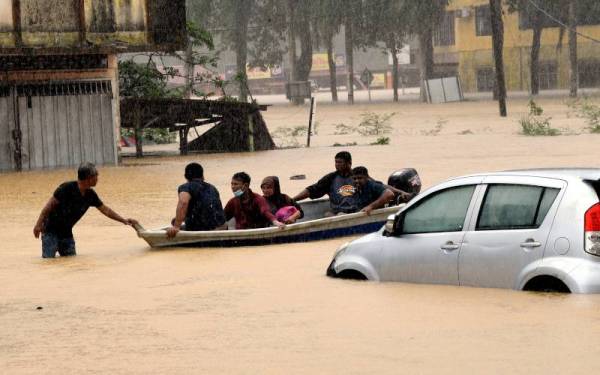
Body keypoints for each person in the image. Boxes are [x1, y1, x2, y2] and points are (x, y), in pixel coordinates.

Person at [33, 162, 138, 258]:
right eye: (96, 176)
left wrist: (124, 220)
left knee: (71, 262)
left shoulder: (90, 194)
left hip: (66, 233)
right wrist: (38, 225)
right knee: (48, 262)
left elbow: (106, 210)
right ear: (89, 178)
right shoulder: (66, 188)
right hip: (50, 231)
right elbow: (48, 207)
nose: (98, 179)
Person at [166, 163, 226, 238]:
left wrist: (176, 226)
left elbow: (183, 202)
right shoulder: (212, 188)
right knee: (175, 220)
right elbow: (207, 208)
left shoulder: (186, 187)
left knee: (175, 223)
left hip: (201, 229)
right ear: (203, 176)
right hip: (220, 227)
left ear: (185, 176)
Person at [292, 151, 357, 215]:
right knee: (328, 214)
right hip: (338, 213)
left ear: (349, 163)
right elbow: (312, 190)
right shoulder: (330, 178)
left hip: (356, 212)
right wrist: (293, 200)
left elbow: (367, 190)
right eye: (336, 162)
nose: (337, 164)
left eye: (340, 162)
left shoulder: (358, 177)